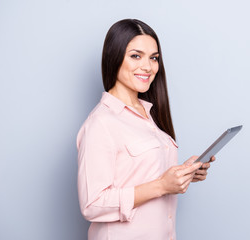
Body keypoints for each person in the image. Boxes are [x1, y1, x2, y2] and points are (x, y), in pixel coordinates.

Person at [76, 19, 214, 240]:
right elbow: (92, 204)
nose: (148, 67)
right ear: (114, 57)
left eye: (154, 58)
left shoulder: (149, 114)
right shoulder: (101, 122)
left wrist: (183, 173)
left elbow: (141, 173)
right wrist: (161, 186)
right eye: (135, 56)